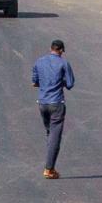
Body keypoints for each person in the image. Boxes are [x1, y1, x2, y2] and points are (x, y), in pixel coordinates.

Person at [30, 38, 74, 179]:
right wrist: (60, 82)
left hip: (42, 103)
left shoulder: (39, 61)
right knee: (55, 136)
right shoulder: (63, 63)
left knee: (50, 132)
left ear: (51, 48)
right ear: (61, 50)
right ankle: (49, 169)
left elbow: (35, 82)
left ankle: (50, 162)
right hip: (56, 103)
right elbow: (70, 84)